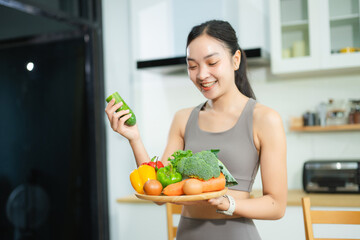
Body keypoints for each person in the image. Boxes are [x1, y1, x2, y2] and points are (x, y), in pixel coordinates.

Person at [105, 20, 287, 240]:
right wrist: (134, 138)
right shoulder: (183, 119)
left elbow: (276, 205)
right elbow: (158, 192)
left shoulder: (264, 119)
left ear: (235, 60)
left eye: (212, 62)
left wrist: (228, 203)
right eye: (192, 66)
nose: (201, 75)